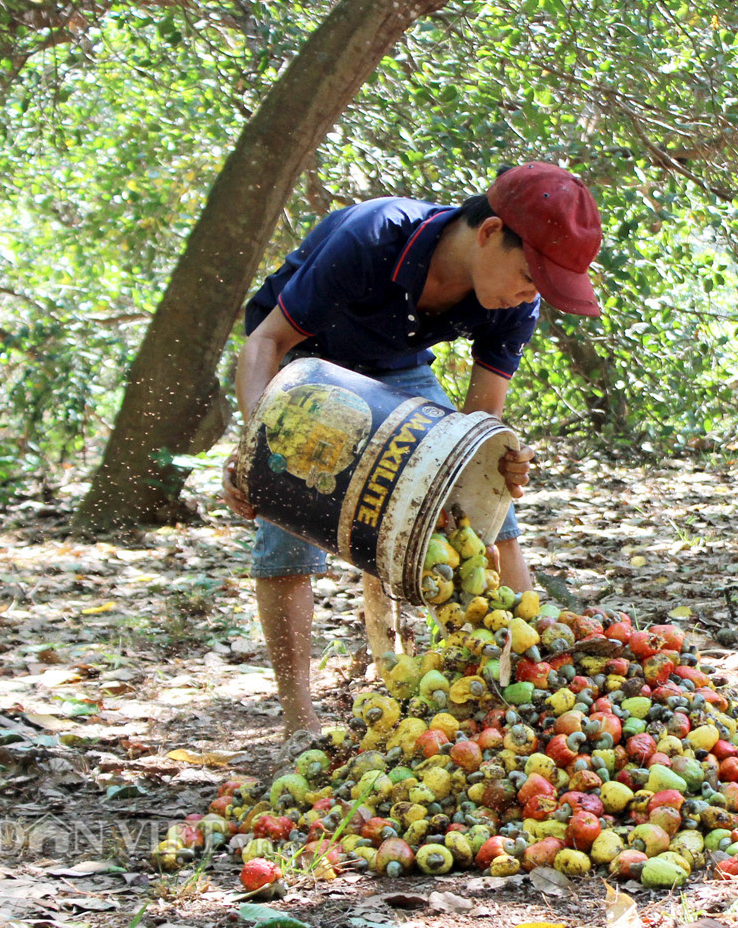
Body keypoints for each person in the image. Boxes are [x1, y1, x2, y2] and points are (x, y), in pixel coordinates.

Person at [222, 162, 602, 737]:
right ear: (490, 232)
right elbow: (264, 343)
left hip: (398, 368)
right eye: (531, 275)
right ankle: (299, 724)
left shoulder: (516, 300)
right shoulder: (372, 237)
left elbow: (481, 422)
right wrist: (259, 448)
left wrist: (495, 464)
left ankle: (537, 681)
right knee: (286, 522)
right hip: (304, 361)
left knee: (486, 509)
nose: (533, 294)